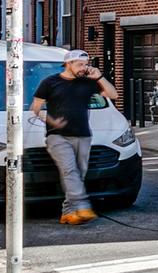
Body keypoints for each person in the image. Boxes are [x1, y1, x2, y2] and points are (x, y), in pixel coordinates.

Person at [32, 50, 116, 225]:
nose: (83, 68)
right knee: (70, 170)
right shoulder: (50, 82)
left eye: (86, 64)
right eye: (80, 64)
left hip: (83, 134)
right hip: (57, 136)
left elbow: (113, 95)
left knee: (78, 174)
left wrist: (99, 77)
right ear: (68, 64)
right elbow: (36, 107)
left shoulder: (87, 83)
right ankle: (83, 205)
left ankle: (68, 212)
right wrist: (48, 119)